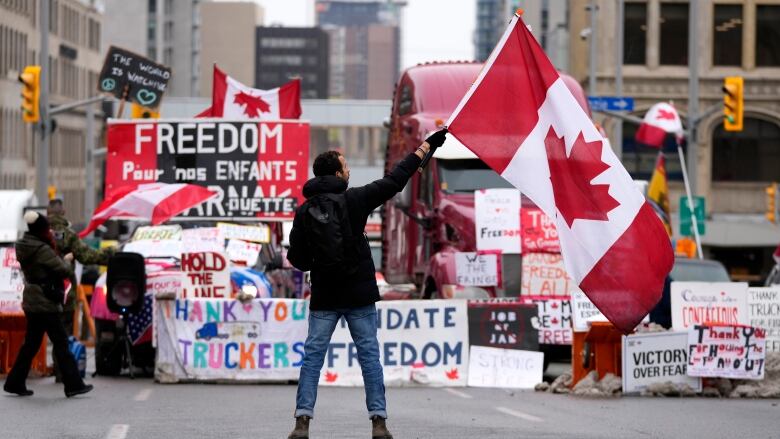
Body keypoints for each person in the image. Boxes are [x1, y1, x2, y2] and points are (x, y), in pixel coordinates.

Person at [286, 129, 448, 439]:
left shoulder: (304, 211)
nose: (349, 171)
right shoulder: (356, 199)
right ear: (337, 173)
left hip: (324, 296)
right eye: (345, 167)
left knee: (312, 358)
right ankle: (379, 422)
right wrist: (426, 147)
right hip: (359, 294)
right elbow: (395, 180)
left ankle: (302, 422)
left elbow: (298, 258)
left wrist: (321, 261)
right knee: (369, 357)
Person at [3, 211, 94, 398]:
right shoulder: (42, 249)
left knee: (31, 344)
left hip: (31, 299)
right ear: (42, 230)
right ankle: (73, 384)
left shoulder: (22, 245)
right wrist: (67, 260)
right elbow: (62, 270)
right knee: (61, 342)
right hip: (45, 302)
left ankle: (14, 382)